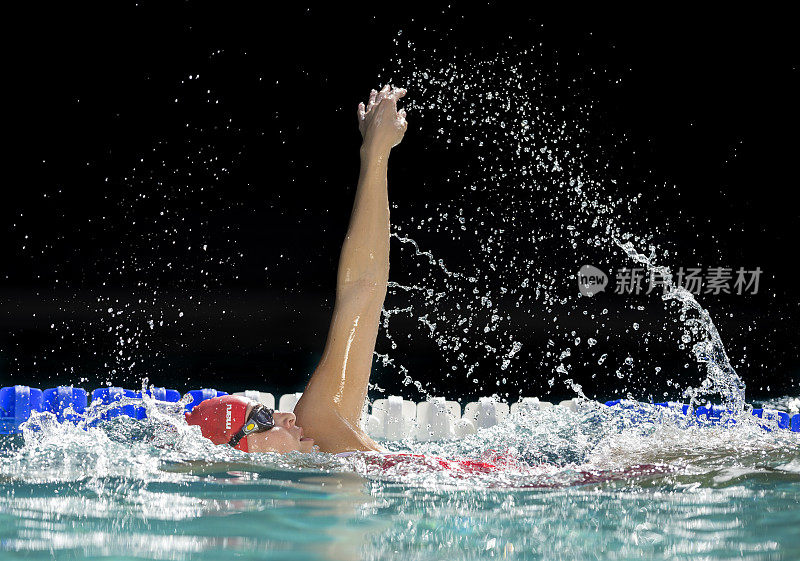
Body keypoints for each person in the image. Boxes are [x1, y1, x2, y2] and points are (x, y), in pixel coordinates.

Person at [186, 84, 407, 454]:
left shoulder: (320, 424)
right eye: (260, 421)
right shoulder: (318, 463)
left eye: (267, 412)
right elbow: (364, 288)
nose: (287, 417)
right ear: (244, 451)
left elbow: (364, 288)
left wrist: (376, 155)